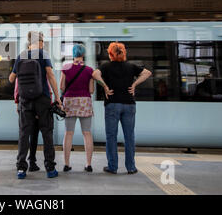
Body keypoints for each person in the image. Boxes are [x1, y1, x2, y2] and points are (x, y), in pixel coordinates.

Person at [9, 31, 62, 179]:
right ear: (38, 41)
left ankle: (21, 169)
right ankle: (50, 168)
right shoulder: (43, 54)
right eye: (42, 41)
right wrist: (57, 98)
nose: (43, 44)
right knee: (47, 133)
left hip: (25, 101)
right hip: (42, 99)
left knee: (24, 134)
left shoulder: (21, 56)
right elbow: (50, 75)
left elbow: (11, 79)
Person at [93, 42, 151, 175]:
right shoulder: (131, 66)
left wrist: (105, 87)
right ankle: (131, 167)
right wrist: (135, 84)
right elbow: (147, 73)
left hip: (112, 104)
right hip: (129, 105)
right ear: (124, 53)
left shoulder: (106, 66)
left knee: (111, 136)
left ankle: (112, 167)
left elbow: (95, 74)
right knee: (129, 136)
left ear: (110, 54)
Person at [60, 44, 95, 172]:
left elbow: (62, 87)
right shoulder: (89, 70)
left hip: (69, 101)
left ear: (73, 55)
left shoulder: (65, 68)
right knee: (87, 133)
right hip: (84, 102)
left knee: (68, 133)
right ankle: (88, 164)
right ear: (83, 55)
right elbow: (91, 90)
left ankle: (66, 164)